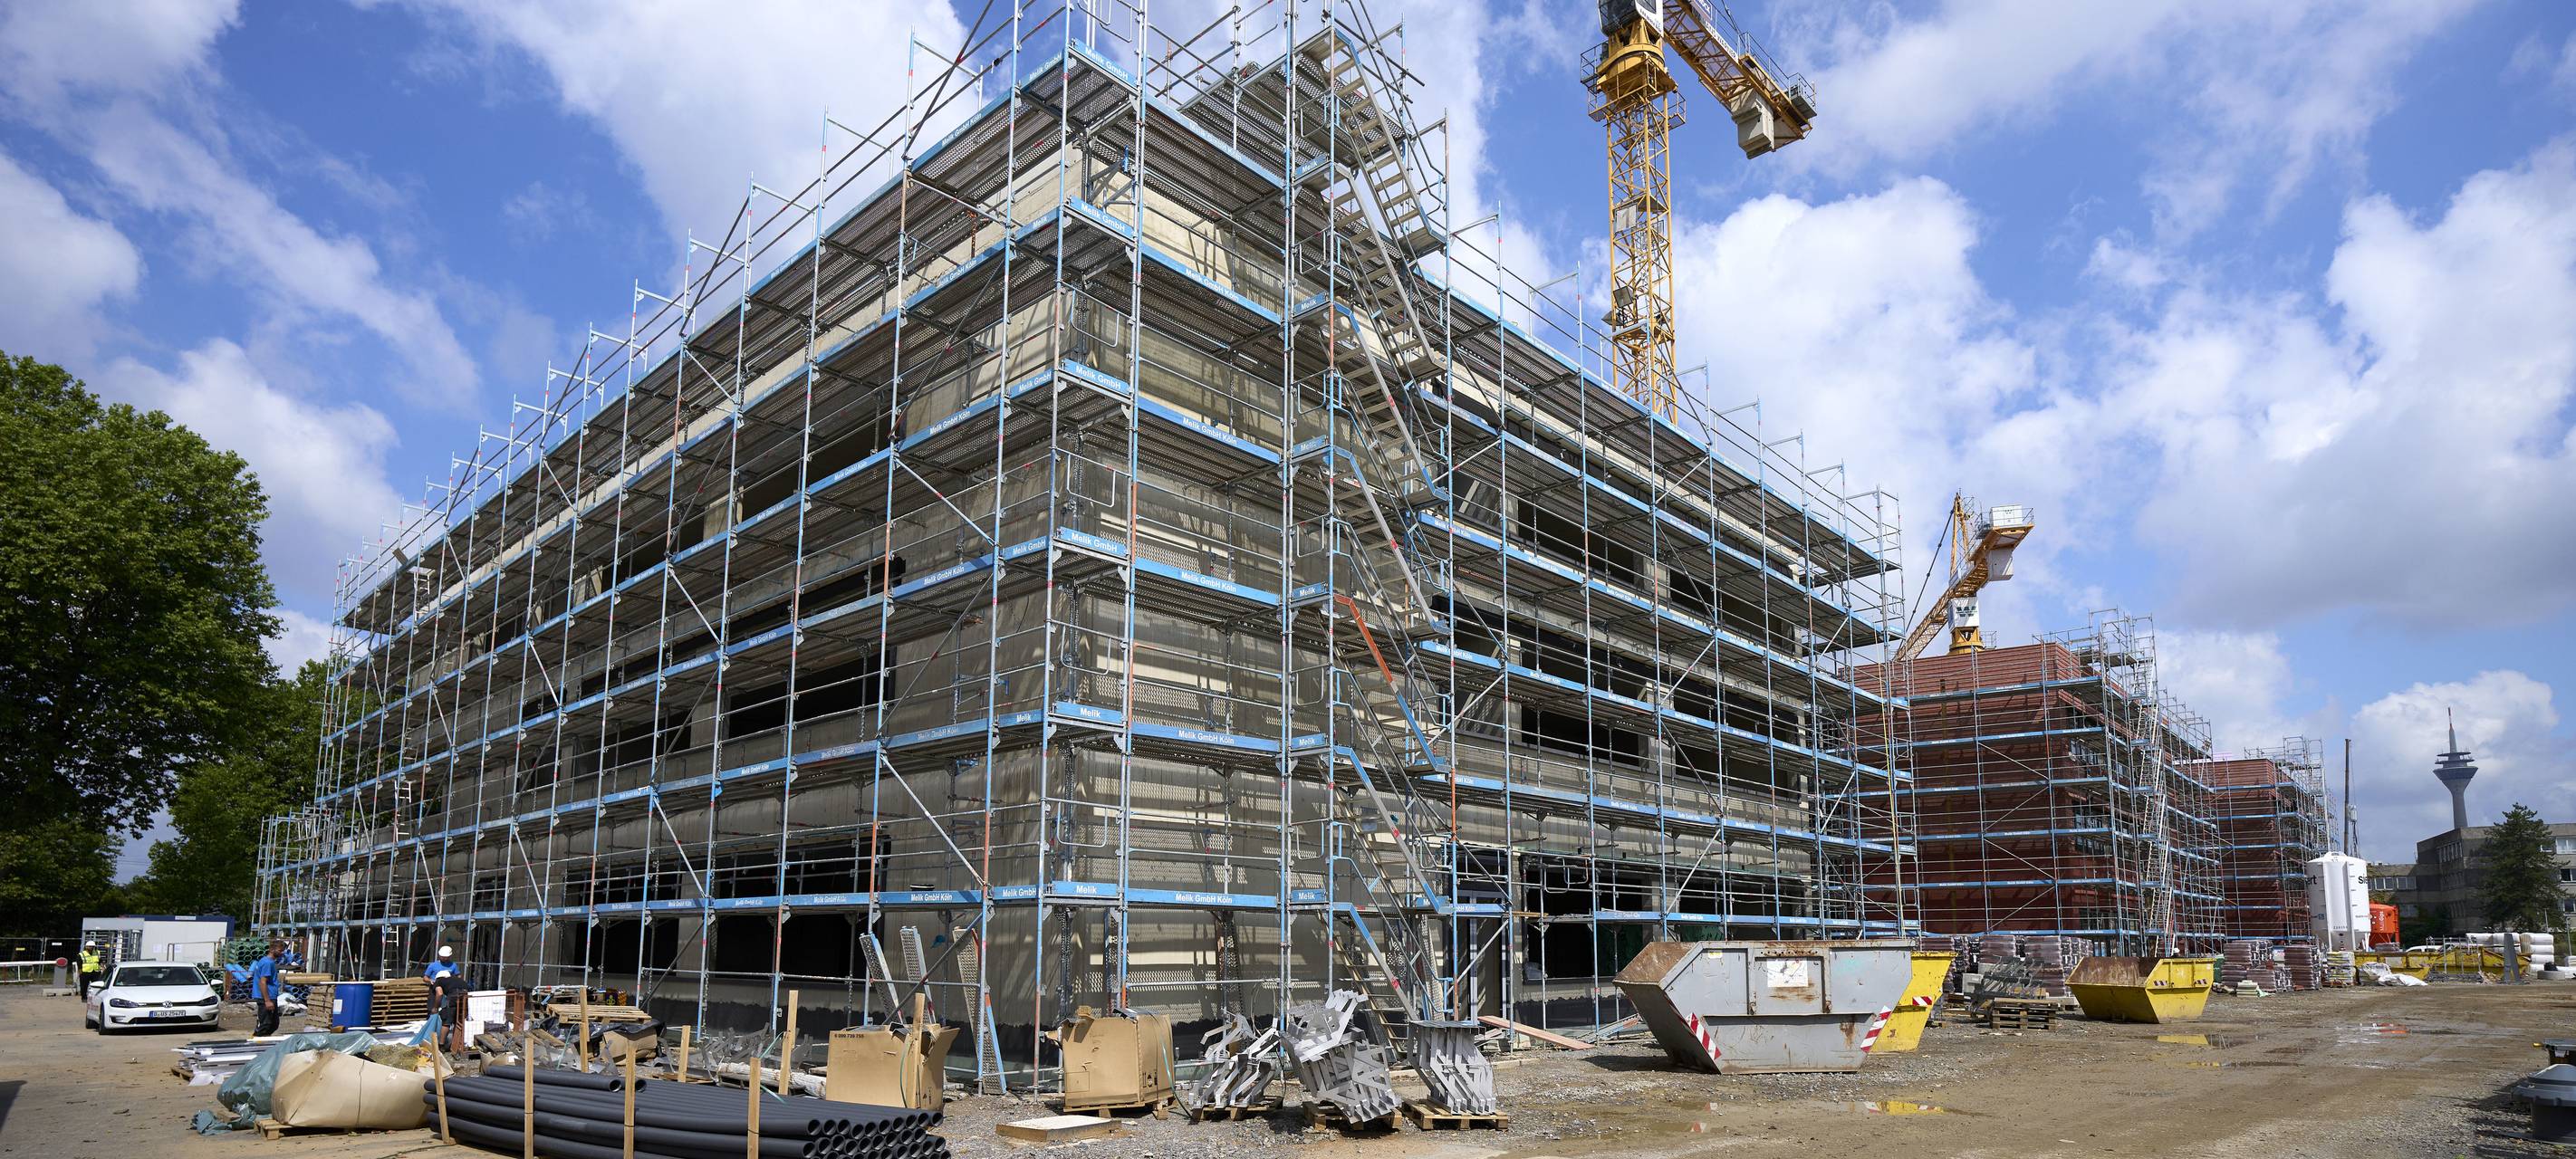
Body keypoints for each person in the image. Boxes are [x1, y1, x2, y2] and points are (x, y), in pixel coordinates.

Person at [426, 945, 466, 1053]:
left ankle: (441, 1045)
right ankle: (458, 1043)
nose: (444, 959)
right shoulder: (433, 966)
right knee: (460, 1020)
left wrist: (435, 1007)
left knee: (447, 1020)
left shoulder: (441, 980)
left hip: (452, 996)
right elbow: (425, 977)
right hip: (464, 994)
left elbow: (439, 994)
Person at [247, 940, 284, 1037]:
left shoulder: (265, 961)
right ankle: (257, 1040)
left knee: (274, 1024)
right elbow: (263, 982)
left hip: (270, 996)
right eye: (280, 950)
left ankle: (263, 1039)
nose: (281, 953)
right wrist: (267, 1000)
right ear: (272, 950)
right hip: (266, 997)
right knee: (266, 1024)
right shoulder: (268, 963)